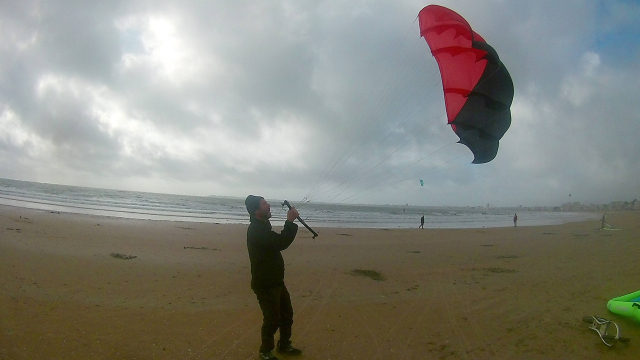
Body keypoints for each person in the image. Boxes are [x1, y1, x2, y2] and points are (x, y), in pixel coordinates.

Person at [245, 195, 302, 360]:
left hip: (276, 280)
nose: (268, 205)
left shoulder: (263, 226)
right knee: (272, 318)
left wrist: (290, 223)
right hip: (264, 283)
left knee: (286, 315)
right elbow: (280, 243)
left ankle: (284, 344)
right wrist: (290, 222)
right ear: (256, 210)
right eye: (264, 204)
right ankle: (265, 351)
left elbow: (276, 242)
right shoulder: (256, 230)